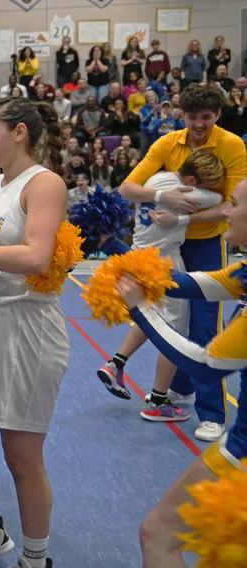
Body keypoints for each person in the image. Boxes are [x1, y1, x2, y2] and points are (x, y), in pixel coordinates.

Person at [113, 177, 247, 566]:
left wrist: (140, 308)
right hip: (239, 445)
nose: (224, 210)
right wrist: (114, 248)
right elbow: (184, 283)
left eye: (234, 204)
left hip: (241, 453)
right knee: (162, 534)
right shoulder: (243, 273)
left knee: (161, 535)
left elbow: (202, 367)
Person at [0, 97, 69, 568]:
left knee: (21, 455)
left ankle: (35, 558)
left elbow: (35, 258)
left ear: (20, 132)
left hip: (27, 324)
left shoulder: (44, 183)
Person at [119, 83, 247, 442]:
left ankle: (212, 413)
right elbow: (127, 188)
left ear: (217, 115)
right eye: (192, 118)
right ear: (182, 115)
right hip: (168, 246)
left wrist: (183, 218)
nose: (199, 124)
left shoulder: (232, 145)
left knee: (206, 327)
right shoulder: (166, 143)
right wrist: (162, 196)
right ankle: (179, 389)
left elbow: (232, 205)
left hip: (207, 245)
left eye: (206, 117)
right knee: (173, 319)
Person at [96, 151, 225, 411]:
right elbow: (220, 199)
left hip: (137, 258)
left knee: (151, 316)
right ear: (190, 181)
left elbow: (128, 190)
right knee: (174, 333)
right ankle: (158, 399)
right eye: (201, 184)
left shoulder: (157, 179)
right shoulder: (188, 193)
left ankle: (116, 363)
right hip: (164, 264)